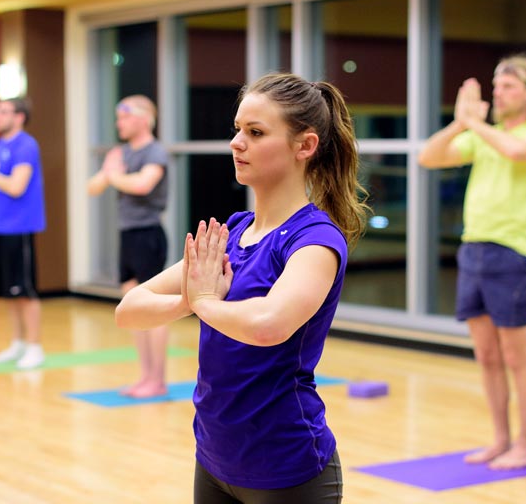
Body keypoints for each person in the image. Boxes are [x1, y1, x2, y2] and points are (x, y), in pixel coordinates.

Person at [116, 73, 370, 503]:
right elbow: (130, 309)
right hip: (215, 459)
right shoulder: (232, 234)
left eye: (255, 132)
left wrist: (202, 301)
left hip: (287, 465)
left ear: (304, 146)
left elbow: (268, 325)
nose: (237, 143)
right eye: (237, 130)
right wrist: (187, 299)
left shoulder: (315, 240)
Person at [418, 54, 526, 470]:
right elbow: (429, 157)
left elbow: (518, 152)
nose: (498, 93)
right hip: (474, 249)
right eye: (496, 87)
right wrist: (460, 123)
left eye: (508, 87)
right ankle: (500, 440)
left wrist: (474, 122)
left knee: (517, 356)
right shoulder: (483, 136)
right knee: (487, 355)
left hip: (514, 253)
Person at [88, 94, 170, 398]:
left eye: (123, 117)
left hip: (148, 235)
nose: (118, 124)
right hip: (127, 234)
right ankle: (145, 376)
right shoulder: (120, 154)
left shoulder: (155, 152)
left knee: (153, 310)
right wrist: (110, 174)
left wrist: (114, 176)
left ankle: (158, 380)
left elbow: (142, 184)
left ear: (143, 119)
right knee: (133, 306)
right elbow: (93, 187)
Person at [0, 97, 47, 370]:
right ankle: (18, 343)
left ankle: (35, 346)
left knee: (25, 291)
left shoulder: (26, 145)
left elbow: (16, 186)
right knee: (9, 293)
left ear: (19, 116)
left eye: (3, 111)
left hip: (20, 227)